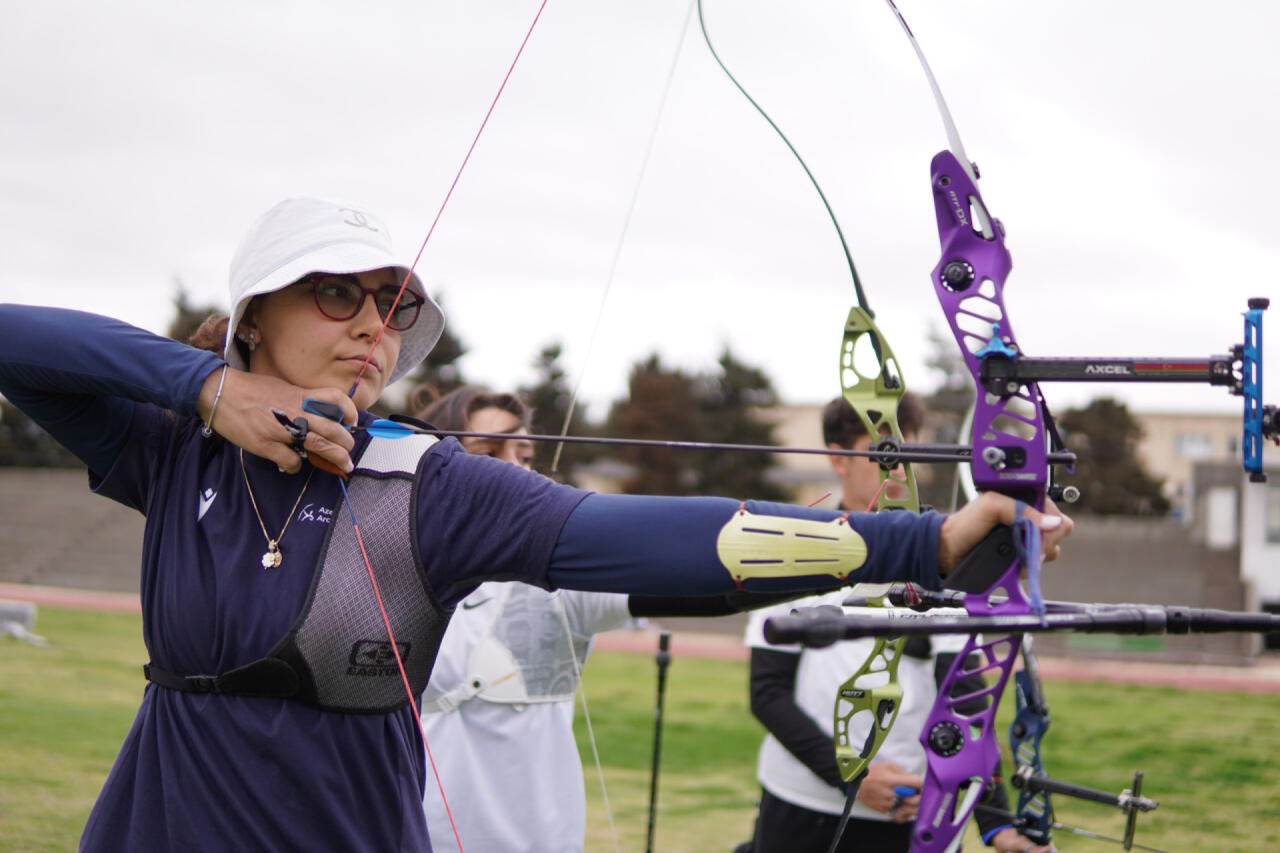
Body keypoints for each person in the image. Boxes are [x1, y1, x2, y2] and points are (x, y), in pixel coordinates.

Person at [0, 196, 1071, 853]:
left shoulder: (430, 484)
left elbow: (650, 539)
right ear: (253, 318)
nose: (373, 326)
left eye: (392, 305)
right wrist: (204, 390)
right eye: (335, 293)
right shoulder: (174, 449)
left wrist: (923, 545)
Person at [416, 384, 823, 853]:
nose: (516, 470)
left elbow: (707, 589)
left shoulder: (558, 577)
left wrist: (827, 557)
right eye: (489, 453)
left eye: (525, 455)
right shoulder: (402, 572)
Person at [740, 395, 1053, 853]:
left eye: (910, 450)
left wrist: (997, 823)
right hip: (801, 805)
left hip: (916, 810)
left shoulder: (941, 555)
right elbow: (767, 693)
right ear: (837, 458)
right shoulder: (793, 545)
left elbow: (965, 699)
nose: (899, 468)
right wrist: (853, 775)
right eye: (884, 451)